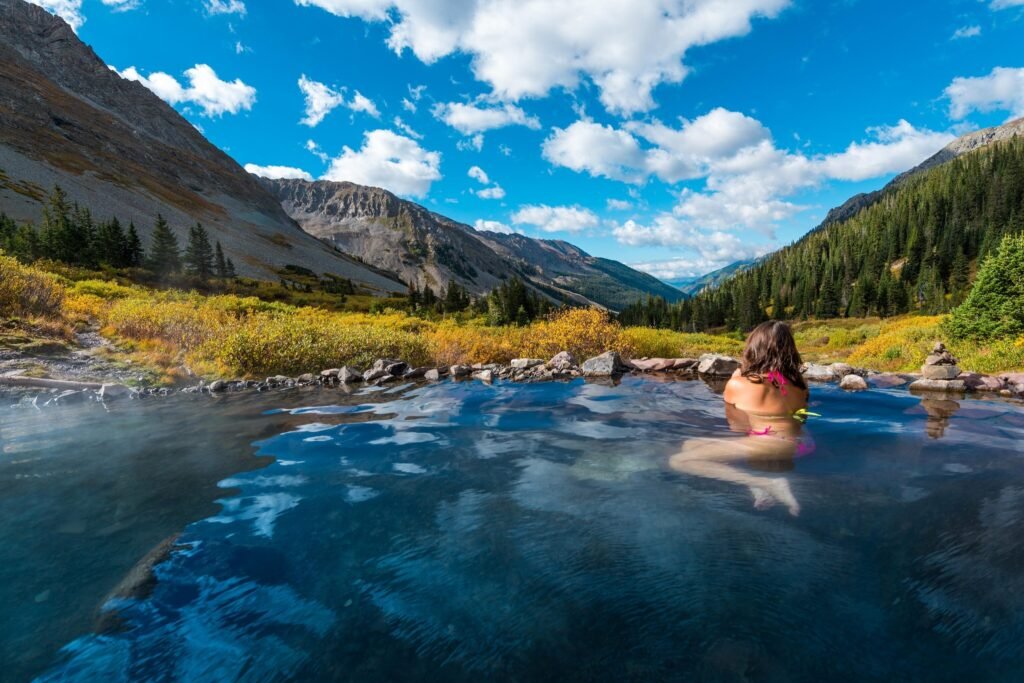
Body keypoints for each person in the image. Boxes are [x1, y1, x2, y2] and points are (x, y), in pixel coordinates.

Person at [670, 321, 810, 516]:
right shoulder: (800, 385)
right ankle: (760, 480)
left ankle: (764, 483)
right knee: (689, 445)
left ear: (754, 348)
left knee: (679, 461)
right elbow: (800, 418)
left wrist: (736, 378)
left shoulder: (739, 384)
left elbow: (736, 426)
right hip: (798, 443)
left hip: (769, 443)